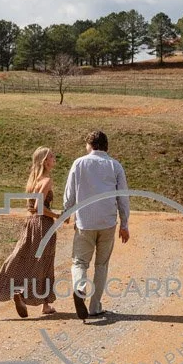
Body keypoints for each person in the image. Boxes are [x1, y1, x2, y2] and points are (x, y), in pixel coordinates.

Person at [0, 147, 60, 318]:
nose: (55, 159)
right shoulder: (46, 180)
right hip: (43, 224)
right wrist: (56, 215)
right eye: (52, 156)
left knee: (21, 258)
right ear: (45, 161)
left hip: (30, 223)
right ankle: (26, 295)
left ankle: (42, 302)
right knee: (43, 264)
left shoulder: (32, 181)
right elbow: (40, 207)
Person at [60, 130, 130, 321]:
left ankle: (80, 287)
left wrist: (67, 211)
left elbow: (70, 191)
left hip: (85, 221)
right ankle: (95, 306)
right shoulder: (115, 165)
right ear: (105, 146)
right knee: (101, 264)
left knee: (80, 262)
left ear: (90, 145)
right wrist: (124, 224)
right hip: (107, 221)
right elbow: (123, 197)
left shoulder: (79, 163)